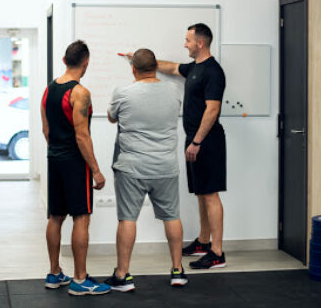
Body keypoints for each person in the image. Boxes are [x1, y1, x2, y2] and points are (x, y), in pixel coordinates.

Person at [104, 48, 188, 292]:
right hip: (165, 166)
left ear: (133, 69)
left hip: (132, 167)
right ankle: (177, 271)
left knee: (127, 218)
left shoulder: (123, 92)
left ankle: (123, 276)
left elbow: (111, 117)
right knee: (171, 216)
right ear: (155, 66)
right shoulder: (174, 92)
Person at [153, 23, 227, 269]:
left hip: (207, 141)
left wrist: (197, 141)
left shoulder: (213, 72)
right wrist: (144, 61)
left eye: (187, 40)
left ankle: (217, 252)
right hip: (194, 140)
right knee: (201, 192)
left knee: (210, 193)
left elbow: (213, 109)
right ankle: (204, 242)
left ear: (200, 43)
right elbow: (172, 67)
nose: (184, 44)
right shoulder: (195, 68)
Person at [40, 40, 111, 296]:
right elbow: (82, 137)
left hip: (54, 159)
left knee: (56, 217)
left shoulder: (48, 90)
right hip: (74, 162)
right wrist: (96, 170)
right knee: (81, 216)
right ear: (86, 62)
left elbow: (46, 130)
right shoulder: (80, 93)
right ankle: (80, 280)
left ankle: (54, 272)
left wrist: (58, 151)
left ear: (64, 60)